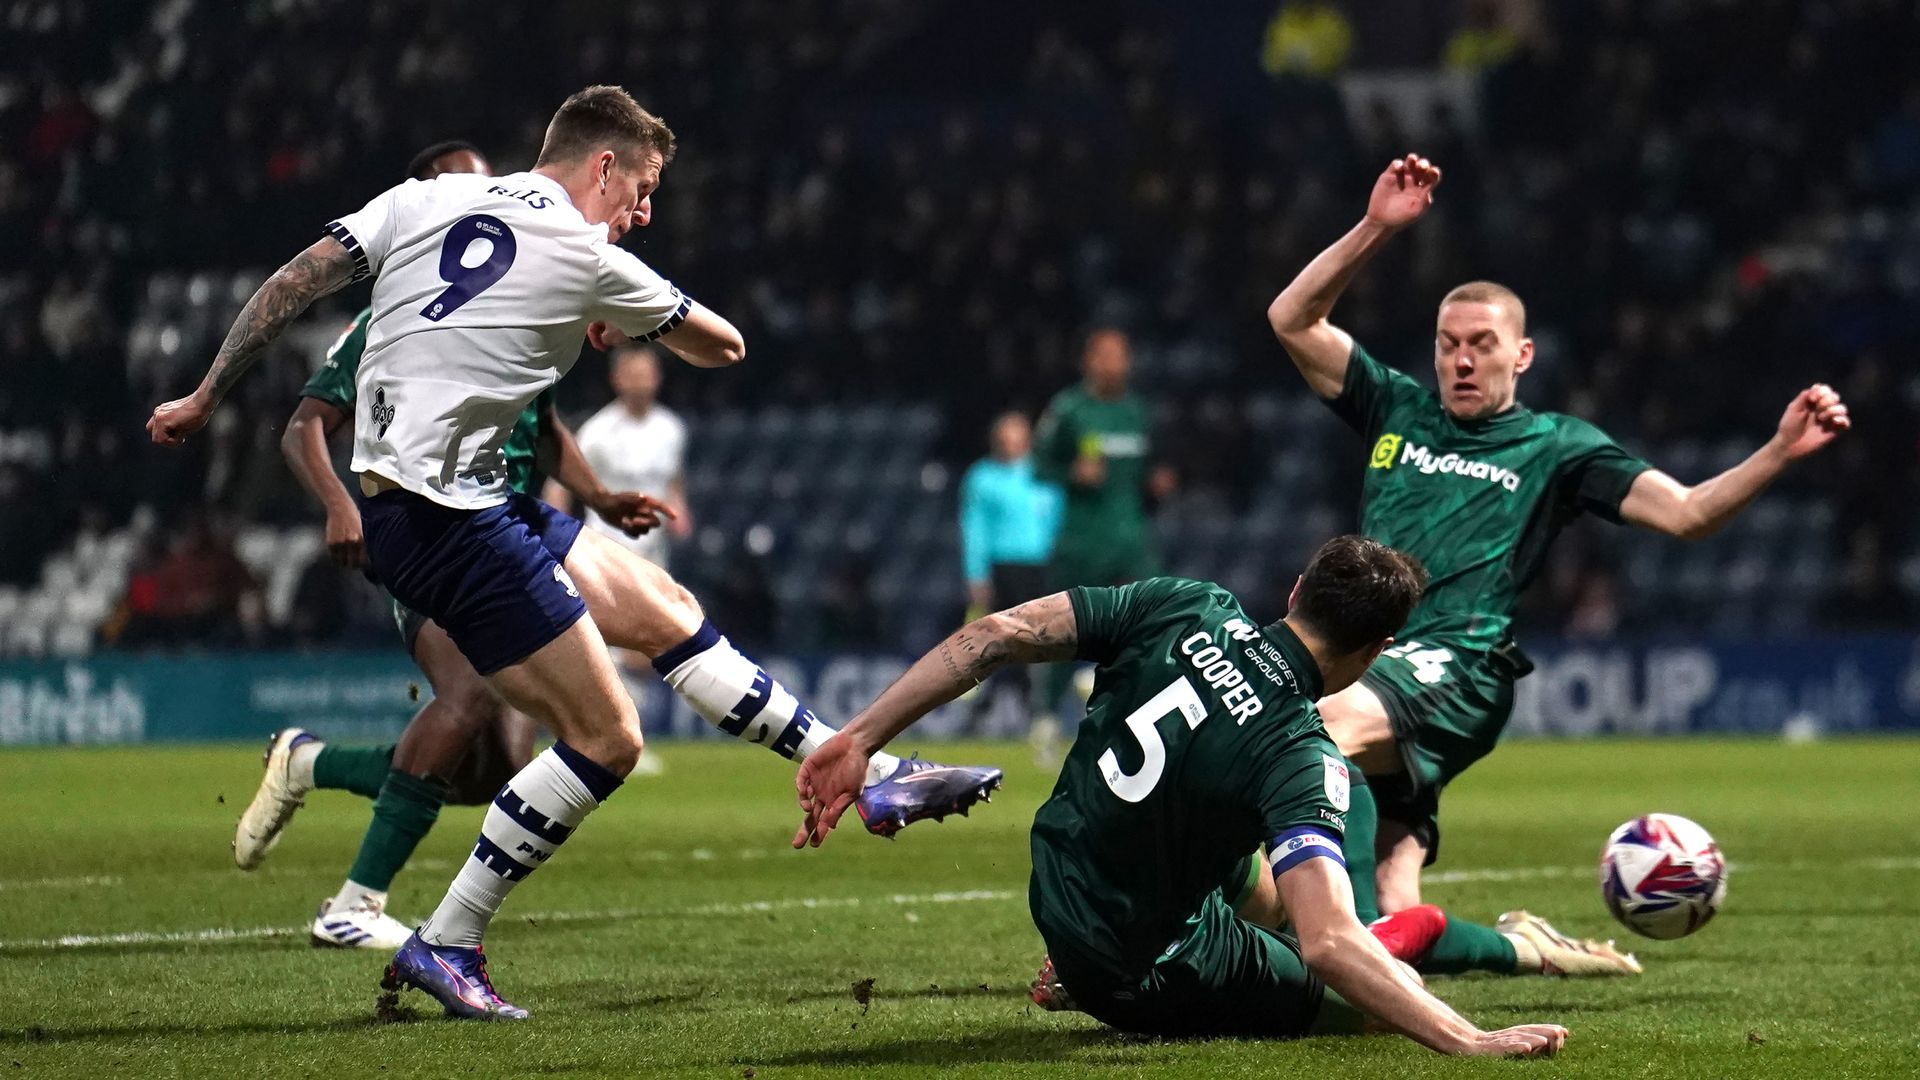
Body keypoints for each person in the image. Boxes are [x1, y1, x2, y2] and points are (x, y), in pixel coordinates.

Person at [148, 85, 1003, 1020]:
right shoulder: (587, 253)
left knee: (666, 614)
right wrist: (630, 305)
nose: (643, 212)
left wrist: (202, 395)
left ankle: (868, 778)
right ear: (602, 166)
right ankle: (446, 938)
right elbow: (726, 345)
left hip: (467, 501)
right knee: (607, 738)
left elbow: (294, 281)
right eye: (641, 189)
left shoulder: (420, 200)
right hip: (446, 522)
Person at [1266, 153, 1851, 915]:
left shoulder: (1557, 447)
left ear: (1523, 354)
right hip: (1369, 653)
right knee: (1394, 887)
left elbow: (1687, 513)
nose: (1462, 358)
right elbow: (1291, 320)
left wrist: (1776, 452)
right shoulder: (1396, 409)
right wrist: (1376, 227)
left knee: (1303, 733)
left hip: (1458, 660)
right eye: (1448, 342)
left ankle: (1240, 931)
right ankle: (1509, 948)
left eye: (1481, 341)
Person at [792, 536, 1567, 1057]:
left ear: (1296, 590)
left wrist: (858, 739)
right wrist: (1469, 1040)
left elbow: (999, 633)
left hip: (1063, 873)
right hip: (1135, 961)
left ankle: (1402, 936)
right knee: (1379, 996)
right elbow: (1329, 945)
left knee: (1259, 883)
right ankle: (1439, 941)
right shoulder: (1301, 752)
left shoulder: (1187, 604)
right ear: (1374, 654)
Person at [242, 139, 669, 951]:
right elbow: (303, 428)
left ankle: (310, 763)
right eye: (463, 187)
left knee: (497, 770)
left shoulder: (520, 295)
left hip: (505, 529)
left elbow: (544, 430)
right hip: (426, 522)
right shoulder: (390, 312)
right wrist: (340, 506)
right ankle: (354, 905)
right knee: (468, 696)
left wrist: (603, 496)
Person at [1030, 329, 1175, 752]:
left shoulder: (1137, 412)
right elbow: (1039, 466)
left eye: (1122, 355)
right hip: (1081, 541)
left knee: (1158, 618)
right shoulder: (1069, 409)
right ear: (1088, 360)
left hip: (1131, 538)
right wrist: (1072, 473)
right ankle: (1043, 717)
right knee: (1063, 630)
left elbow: (1147, 471)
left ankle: (1135, 709)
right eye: (1107, 355)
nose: (1116, 363)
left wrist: (1157, 484)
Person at [546, 341, 693, 570]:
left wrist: (680, 514)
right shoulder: (596, 432)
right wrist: (559, 539)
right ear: (617, 378)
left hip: (654, 554)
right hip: (607, 553)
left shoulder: (672, 429)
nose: (640, 382)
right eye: (633, 375)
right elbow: (558, 486)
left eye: (645, 374)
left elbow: (673, 481)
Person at [957, 410, 1060, 734]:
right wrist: (976, 574)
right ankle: (977, 710)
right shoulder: (982, 477)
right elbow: (974, 528)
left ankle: (1040, 711)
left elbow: (1058, 518)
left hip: (1039, 566)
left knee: (1041, 642)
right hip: (1002, 567)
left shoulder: (1044, 474)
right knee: (997, 642)